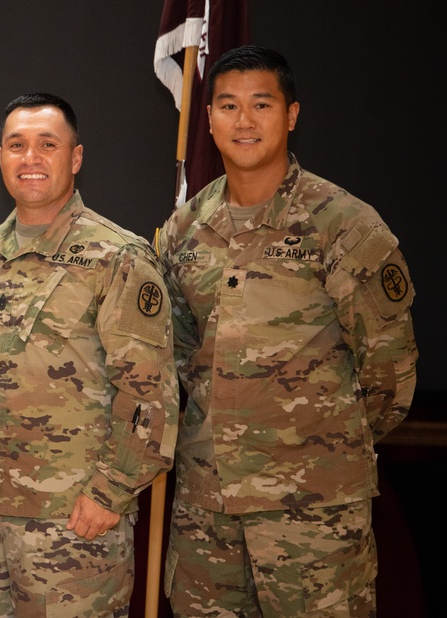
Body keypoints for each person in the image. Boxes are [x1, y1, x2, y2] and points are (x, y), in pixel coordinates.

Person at [156, 45, 418, 617]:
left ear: (292, 115)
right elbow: (179, 357)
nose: (243, 121)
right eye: (228, 105)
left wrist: (318, 445)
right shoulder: (184, 230)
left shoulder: (343, 225)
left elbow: (390, 374)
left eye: (261, 104)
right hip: (208, 506)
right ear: (208, 119)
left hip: (313, 514)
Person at [0, 93, 178, 617]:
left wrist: (109, 494)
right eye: (17, 145)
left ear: (76, 157)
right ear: (0, 154)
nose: (31, 158)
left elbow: (149, 393)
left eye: (48, 144)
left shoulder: (117, 256)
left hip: (76, 525)